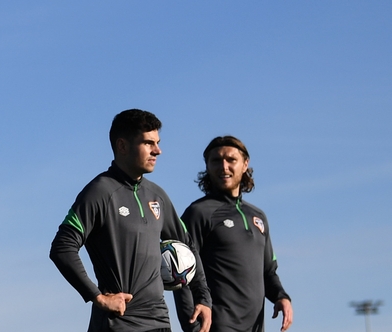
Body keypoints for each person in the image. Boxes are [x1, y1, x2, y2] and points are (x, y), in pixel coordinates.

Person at [50, 109, 212, 332]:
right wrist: (97, 297)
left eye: (157, 142)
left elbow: (188, 246)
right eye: (148, 143)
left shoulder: (158, 196)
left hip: (160, 323)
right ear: (122, 146)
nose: (158, 150)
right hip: (117, 324)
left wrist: (203, 298)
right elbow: (62, 248)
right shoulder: (99, 192)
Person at [173, 136, 293, 332]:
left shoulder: (258, 216)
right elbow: (181, 275)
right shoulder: (198, 213)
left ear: (245, 164)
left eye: (231, 160)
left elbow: (268, 272)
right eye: (216, 161)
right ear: (207, 166)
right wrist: (192, 327)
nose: (223, 166)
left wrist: (281, 297)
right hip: (216, 326)